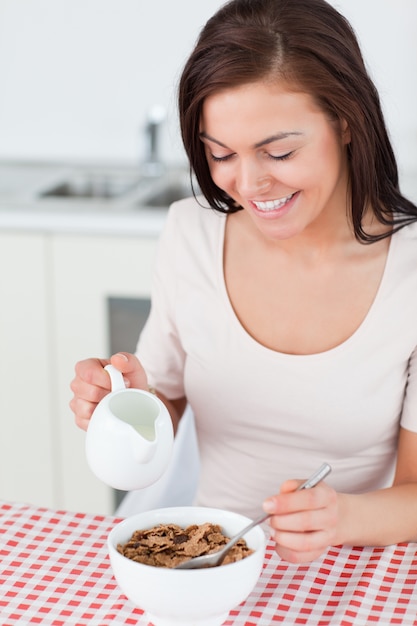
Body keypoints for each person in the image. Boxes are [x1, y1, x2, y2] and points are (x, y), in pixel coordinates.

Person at [70, 0, 417, 564]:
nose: (249, 184)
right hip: (209, 561)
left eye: (278, 151)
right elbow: (166, 406)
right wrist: (126, 405)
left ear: (347, 120)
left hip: (357, 567)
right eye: (221, 154)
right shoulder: (191, 234)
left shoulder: (411, 271)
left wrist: (343, 515)